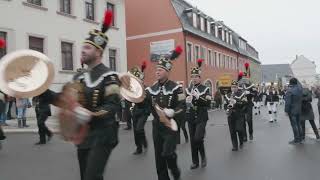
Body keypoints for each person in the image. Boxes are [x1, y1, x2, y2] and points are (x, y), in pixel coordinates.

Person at [42, 10, 122, 180]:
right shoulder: (78, 76)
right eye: (83, 47)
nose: (82, 50)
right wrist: (40, 89)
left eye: (87, 47)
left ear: (98, 52)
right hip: (84, 135)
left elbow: (112, 106)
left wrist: (89, 114)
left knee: (92, 176)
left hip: (103, 134)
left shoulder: (109, 77)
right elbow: (64, 101)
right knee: (86, 176)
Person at [145, 46, 184, 180]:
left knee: (168, 153)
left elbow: (182, 106)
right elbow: (145, 105)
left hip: (171, 127)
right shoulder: (151, 89)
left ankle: (175, 171)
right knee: (159, 159)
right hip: (157, 127)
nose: (157, 72)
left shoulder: (177, 88)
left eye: (160, 70)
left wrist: (173, 111)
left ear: (167, 71)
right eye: (156, 70)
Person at [185, 59, 211, 169]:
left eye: (196, 76)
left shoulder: (205, 89)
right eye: (193, 76)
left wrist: (198, 97)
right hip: (191, 117)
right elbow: (183, 102)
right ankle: (195, 162)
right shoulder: (188, 89)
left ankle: (203, 156)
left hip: (201, 117)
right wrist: (186, 101)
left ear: (200, 78)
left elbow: (208, 103)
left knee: (197, 138)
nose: (194, 78)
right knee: (192, 141)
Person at [128, 62, 151, 155]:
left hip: (144, 111)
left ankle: (144, 142)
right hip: (135, 111)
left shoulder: (146, 89)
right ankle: (139, 148)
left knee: (139, 128)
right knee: (135, 131)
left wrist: (147, 111)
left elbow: (148, 101)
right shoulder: (133, 89)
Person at [224, 75, 247, 151]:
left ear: (237, 87)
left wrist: (236, 102)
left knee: (239, 129)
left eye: (235, 87)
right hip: (230, 115)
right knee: (232, 131)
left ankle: (241, 141)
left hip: (239, 114)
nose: (233, 88)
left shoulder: (242, 94)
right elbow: (224, 105)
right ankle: (235, 146)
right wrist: (226, 109)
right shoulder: (227, 95)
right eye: (232, 87)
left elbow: (244, 103)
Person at [285, 78, 303, 144]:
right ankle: (301, 138)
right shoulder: (300, 89)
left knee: (294, 125)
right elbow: (300, 84)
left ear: (290, 83)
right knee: (299, 124)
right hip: (299, 109)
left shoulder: (289, 91)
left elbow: (288, 102)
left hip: (292, 110)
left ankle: (296, 139)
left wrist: (286, 111)